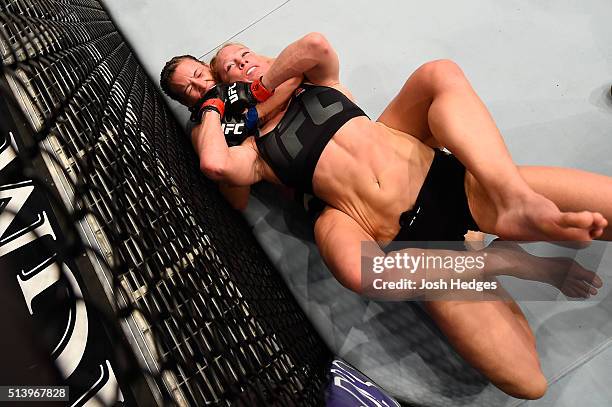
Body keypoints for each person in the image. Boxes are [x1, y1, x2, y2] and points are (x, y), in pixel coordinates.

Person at [161, 33, 612, 399]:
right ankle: (512, 261)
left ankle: (514, 198)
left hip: (460, 186)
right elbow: (216, 164)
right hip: (420, 253)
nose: (237, 67)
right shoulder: (255, 149)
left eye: (242, 57)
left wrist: (255, 87)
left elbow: (312, 46)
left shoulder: (316, 79)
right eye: (224, 74)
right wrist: (215, 107)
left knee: (439, 73)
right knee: (527, 382)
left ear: (263, 56)